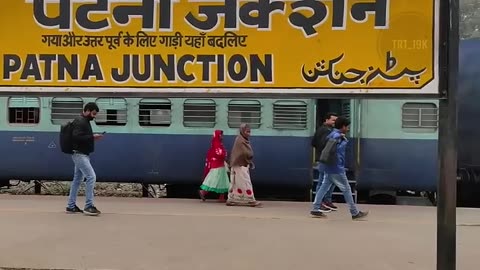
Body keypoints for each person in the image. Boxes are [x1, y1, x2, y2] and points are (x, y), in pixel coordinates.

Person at [310, 116, 368, 220]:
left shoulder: (332, 134)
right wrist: (340, 166)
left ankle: (315, 208)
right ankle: (354, 213)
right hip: (335, 168)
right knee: (346, 189)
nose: (348, 129)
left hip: (329, 167)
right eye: (347, 127)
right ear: (343, 127)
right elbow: (337, 154)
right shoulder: (338, 137)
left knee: (324, 187)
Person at [65, 102, 103, 216]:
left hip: (82, 154)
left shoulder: (83, 121)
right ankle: (88, 206)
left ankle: (71, 206)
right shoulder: (81, 121)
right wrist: (92, 137)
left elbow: (80, 136)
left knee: (77, 180)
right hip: (80, 154)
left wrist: (92, 137)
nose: (94, 116)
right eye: (93, 113)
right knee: (91, 177)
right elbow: (76, 137)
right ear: (87, 110)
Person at [226, 124, 261, 207]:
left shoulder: (243, 140)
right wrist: (249, 156)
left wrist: (248, 159)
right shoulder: (240, 140)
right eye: (247, 131)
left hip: (241, 164)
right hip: (239, 165)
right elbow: (242, 153)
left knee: (238, 183)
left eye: (249, 132)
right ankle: (250, 200)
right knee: (245, 182)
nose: (249, 134)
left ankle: (233, 199)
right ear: (242, 131)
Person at [311, 112, 338, 212]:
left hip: (321, 158)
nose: (335, 122)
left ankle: (326, 201)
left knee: (328, 181)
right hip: (325, 160)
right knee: (323, 182)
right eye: (333, 120)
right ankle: (320, 202)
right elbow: (325, 144)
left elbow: (313, 143)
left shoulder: (321, 129)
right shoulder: (326, 131)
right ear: (326, 120)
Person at [199, 130, 230, 202]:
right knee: (215, 180)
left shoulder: (217, 143)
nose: (222, 137)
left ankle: (221, 197)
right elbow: (219, 153)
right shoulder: (217, 143)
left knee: (222, 180)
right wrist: (224, 154)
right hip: (217, 165)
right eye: (221, 135)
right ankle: (203, 192)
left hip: (220, 164)